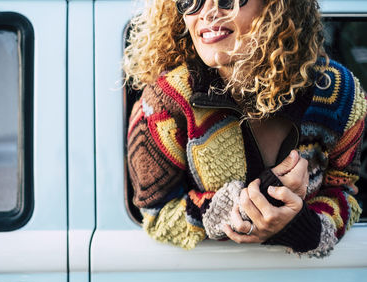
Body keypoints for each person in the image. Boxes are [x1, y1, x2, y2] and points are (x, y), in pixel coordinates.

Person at [124, 0, 366, 257]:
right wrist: (245, 207)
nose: (207, 13)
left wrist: (304, 229)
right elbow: (157, 214)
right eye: (190, 1)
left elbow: (344, 190)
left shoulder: (338, 92)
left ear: (276, 6)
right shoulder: (165, 102)